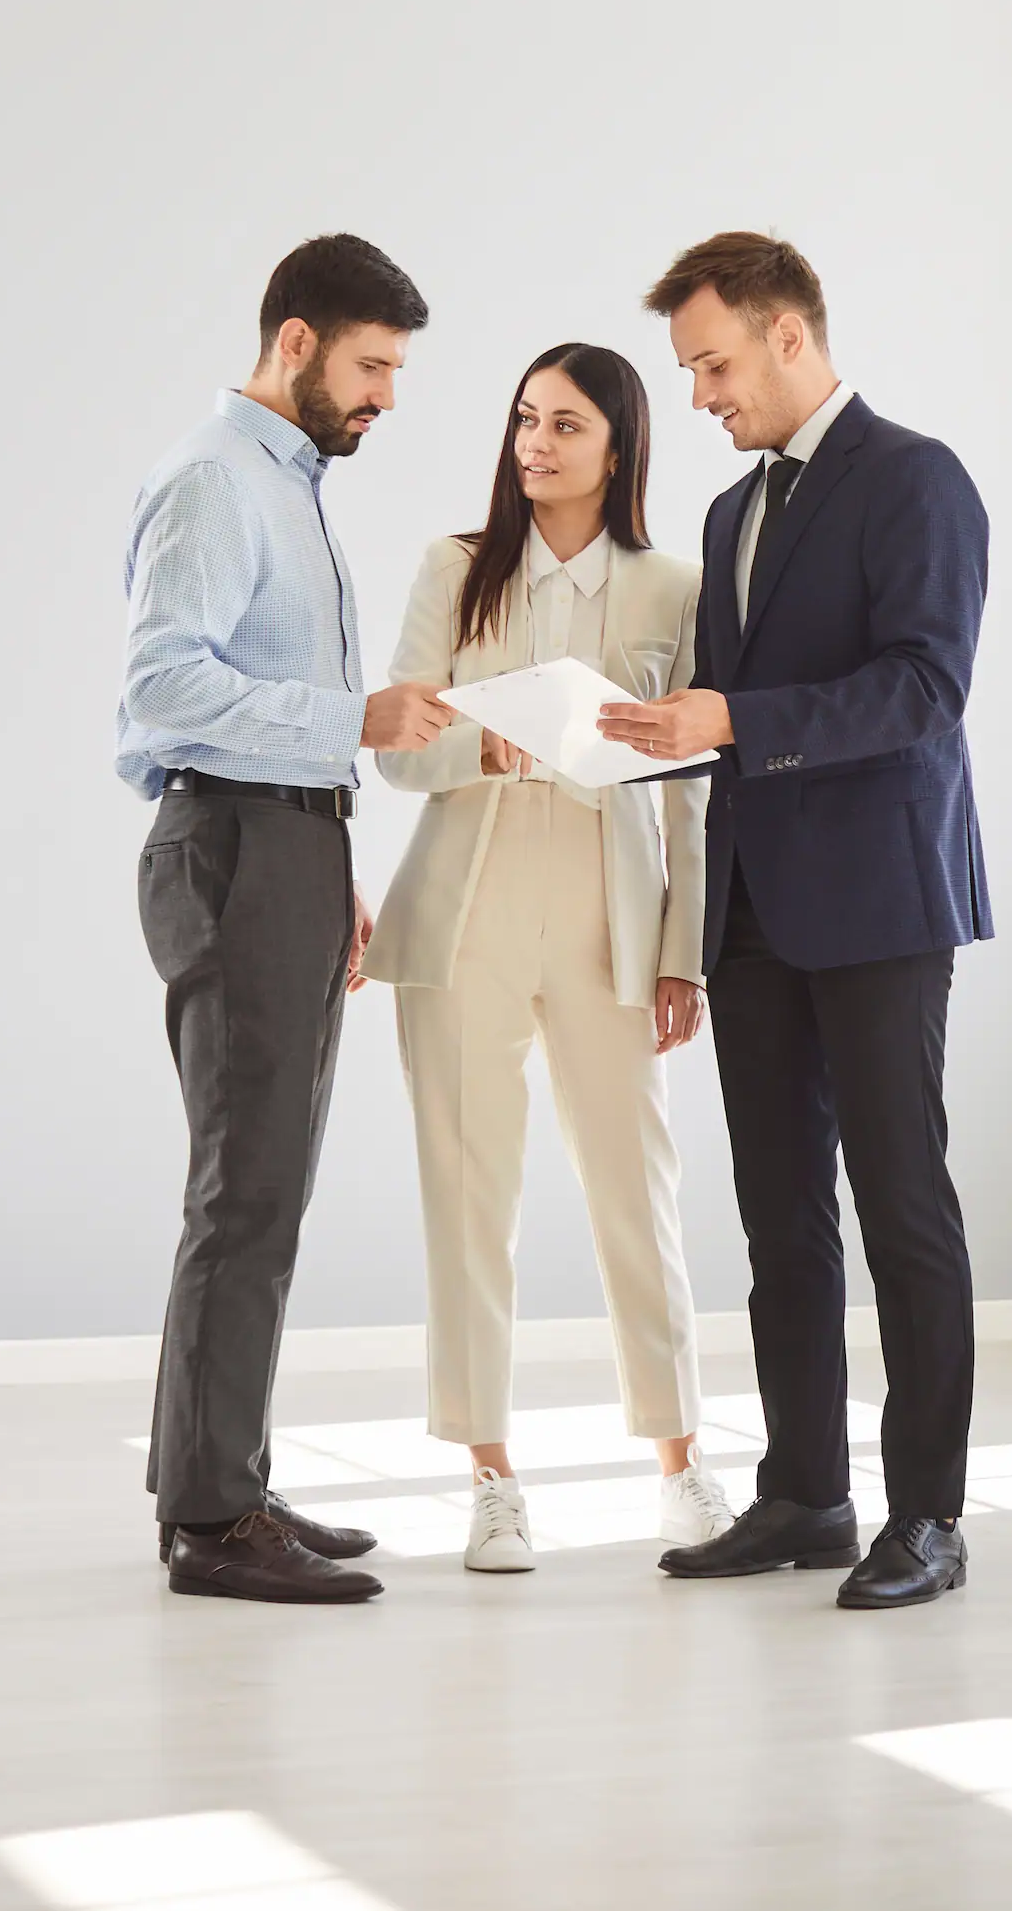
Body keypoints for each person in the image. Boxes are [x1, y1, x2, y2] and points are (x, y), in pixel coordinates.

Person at [602, 231, 991, 1610]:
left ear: (786, 334)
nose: (701, 395)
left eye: (711, 363)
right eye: (689, 371)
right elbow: (726, 711)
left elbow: (923, 690)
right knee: (779, 1216)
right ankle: (807, 1492)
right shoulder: (728, 515)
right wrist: (624, 740)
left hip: (883, 898)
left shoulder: (916, 480)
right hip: (754, 909)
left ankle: (928, 1516)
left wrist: (736, 720)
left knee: (900, 1208)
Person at [117, 233, 456, 1604]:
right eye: (372, 367)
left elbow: (259, 704)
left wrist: (330, 859)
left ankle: (218, 1481)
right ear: (297, 342)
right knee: (245, 1186)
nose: (385, 396)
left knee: (264, 1183)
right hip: (235, 849)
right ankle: (211, 1519)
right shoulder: (215, 480)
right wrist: (351, 727)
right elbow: (165, 687)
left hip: (286, 851)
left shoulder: (288, 484)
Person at [363, 342, 736, 1572]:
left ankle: (681, 1463)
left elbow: (689, 791)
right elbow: (401, 749)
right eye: (525, 419)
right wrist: (496, 746)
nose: (536, 442)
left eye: (565, 425)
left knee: (640, 1194)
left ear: (618, 445)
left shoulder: (672, 591)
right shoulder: (454, 569)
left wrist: (683, 954)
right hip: (464, 912)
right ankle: (490, 1478)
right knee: (470, 1201)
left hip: (606, 921)